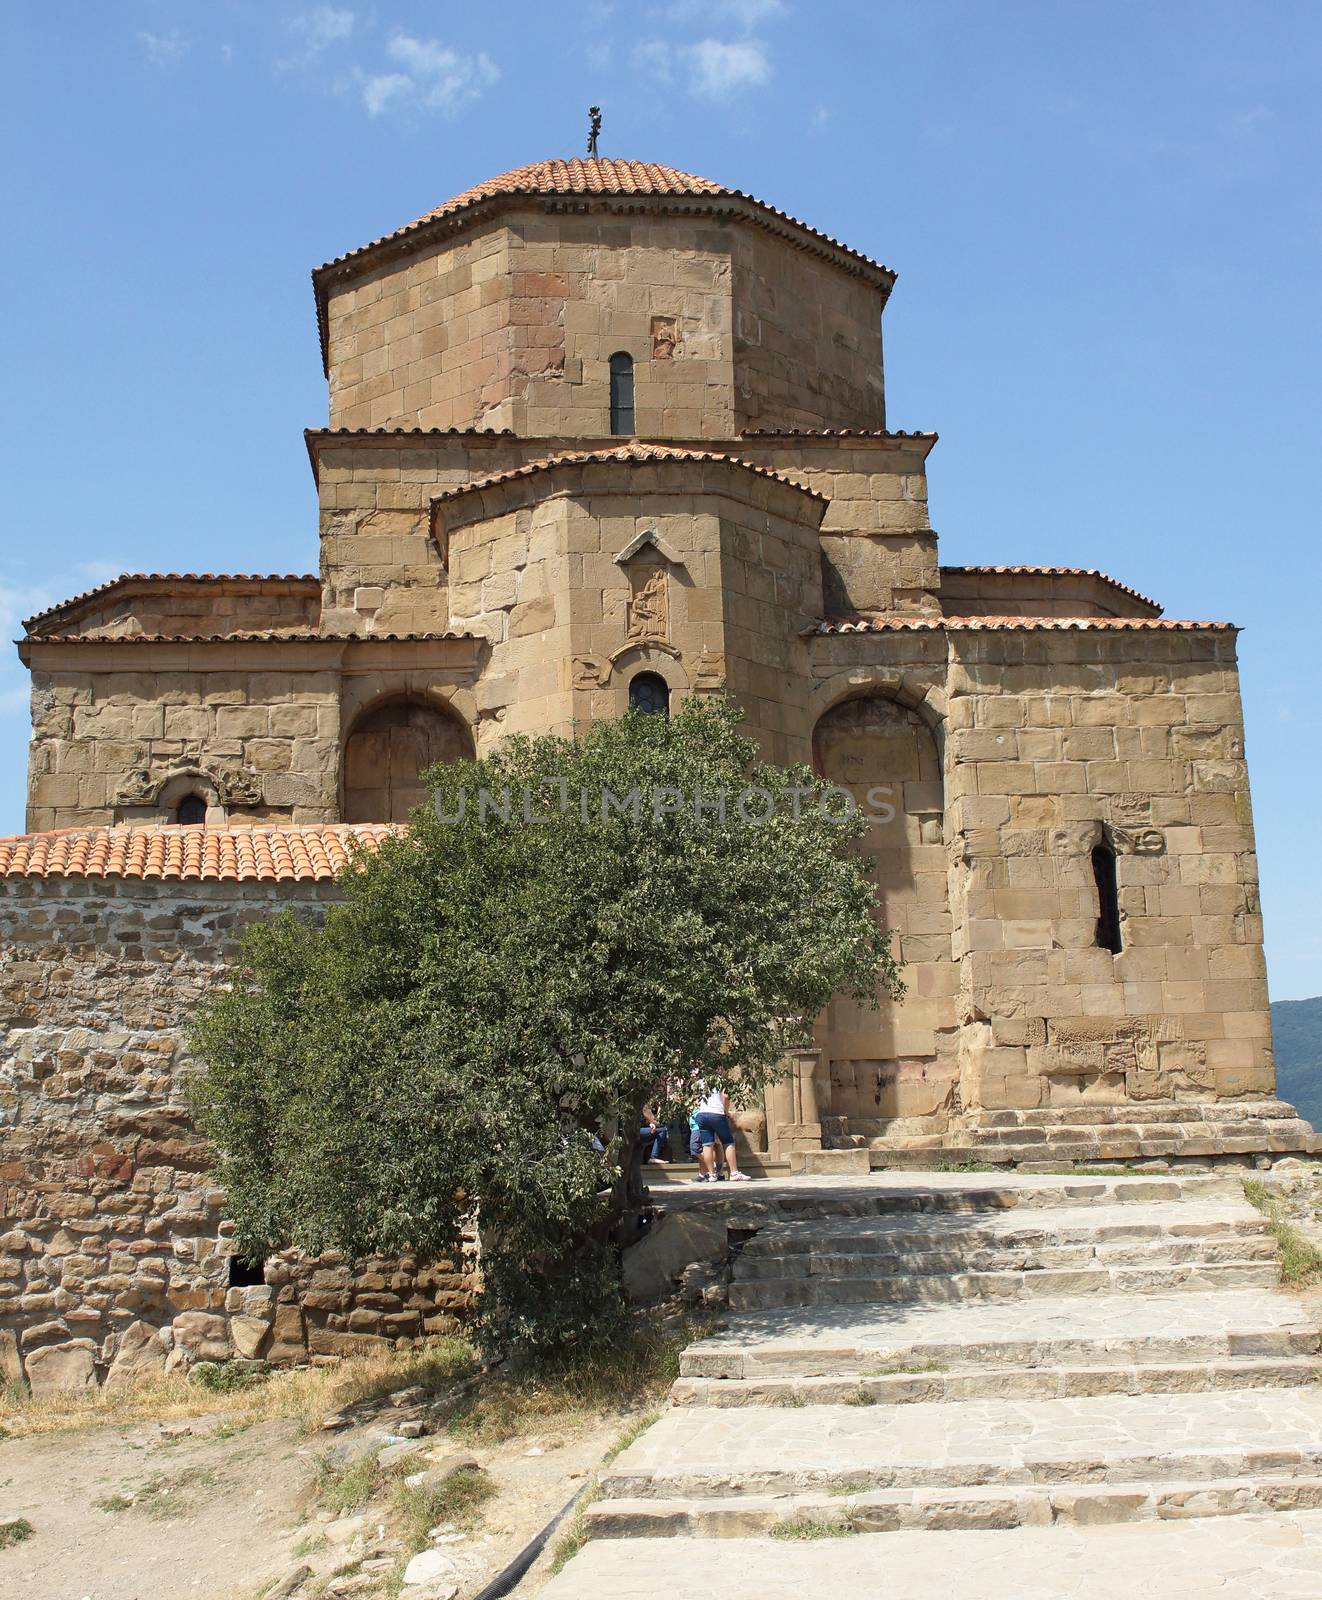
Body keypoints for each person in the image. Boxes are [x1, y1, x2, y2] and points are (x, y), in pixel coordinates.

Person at [692, 1085, 750, 1183]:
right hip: (717, 1114)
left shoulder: (699, 1081)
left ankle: (711, 1174)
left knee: (707, 1144)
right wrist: (726, 1111)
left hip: (702, 1114)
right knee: (728, 1142)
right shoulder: (719, 1080)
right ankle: (734, 1173)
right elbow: (726, 1096)